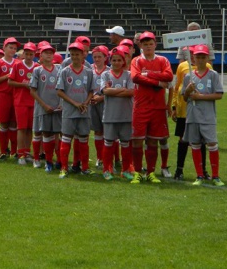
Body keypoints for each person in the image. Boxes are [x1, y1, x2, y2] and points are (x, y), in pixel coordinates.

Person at [129, 31, 173, 184]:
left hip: (158, 107)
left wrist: (147, 74)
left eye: (150, 44)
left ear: (155, 44)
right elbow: (135, 77)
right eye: (145, 44)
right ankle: (137, 172)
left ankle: (151, 172)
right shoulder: (136, 61)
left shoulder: (163, 60)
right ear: (140, 45)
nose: (148, 46)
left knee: (153, 141)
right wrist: (157, 82)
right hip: (141, 107)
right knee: (137, 141)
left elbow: (169, 76)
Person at [181, 45, 224, 186]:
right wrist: (188, 90)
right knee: (195, 144)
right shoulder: (189, 76)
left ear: (207, 58)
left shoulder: (213, 74)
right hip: (193, 115)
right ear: (193, 58)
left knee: (212, 143)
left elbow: (218, 95)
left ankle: (215, 176)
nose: (200, 59)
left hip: (207, 115)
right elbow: (185, 97)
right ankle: (199, 175)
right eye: (197, 56)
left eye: (203, 57)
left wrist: (200, 97)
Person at [171, 47, 212, 180]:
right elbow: (177, 87)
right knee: (182, 140)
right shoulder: (183, 66)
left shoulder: (208, 67)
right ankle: (179, 169)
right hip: (184, 109)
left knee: (201, 141)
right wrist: (174, 106)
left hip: (200, 110)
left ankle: (203, 170)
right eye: (195, 55)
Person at [56, 42, 94, 178]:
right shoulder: (65, 71)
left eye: (77, 54)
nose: (75, 57)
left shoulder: (88, 72)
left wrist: (85, 103)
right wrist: (75, 103)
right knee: (66, 138)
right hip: (69, 111)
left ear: (83, 55)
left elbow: (91, 90)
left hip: (84, 111)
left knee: (83, 138)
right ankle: (64, 168)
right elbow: (59, 91)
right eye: (72, 54)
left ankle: (84, 167)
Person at [100, 46, 135, 180]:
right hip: (110, 115)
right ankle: (106, 169)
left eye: (119, 60)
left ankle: (125, 170)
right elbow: (105, 91)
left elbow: (131, 92)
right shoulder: (105, 74)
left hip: (126, 115)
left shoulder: (129, 75)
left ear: (123, 61)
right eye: (113, 60)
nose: (116, 62)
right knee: (108, 143)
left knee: (125, 143)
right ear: (110, 61)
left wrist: (112, 91)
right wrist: (122, 91)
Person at [30, 43, 62, 172]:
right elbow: (32, 91)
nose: (49, 54)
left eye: (51, 52)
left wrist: (61, 103)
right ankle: (44, 160)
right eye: (46, 52)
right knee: (45, 133)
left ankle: (59, 160)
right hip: (43, 108)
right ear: (40, 55)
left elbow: (63, 89)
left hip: (57, 108)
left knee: (59, 134)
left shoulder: (59, 69)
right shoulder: (37, 70)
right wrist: (44, 105)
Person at [8, 42, 38, 165]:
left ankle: (26, 151)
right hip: (20, 101)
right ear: (24, 53)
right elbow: (10, 82)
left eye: (31, 54)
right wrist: (23, 84)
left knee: (30, 128)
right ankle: (20, 154)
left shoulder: (37, 67)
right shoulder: (17, 65)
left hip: (33, 100)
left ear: (34, 54)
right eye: (27, 53)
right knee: (21, 128)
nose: (29, 56)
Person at [0, 37, 21, 158]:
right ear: (4, 48)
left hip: (16, 96)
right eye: (10, 47)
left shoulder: (18, 63)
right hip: (3, 95)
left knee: (14, 124)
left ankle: (14, 151)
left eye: (14, 48)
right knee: (3, 124)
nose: (13, 50)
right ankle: (3, 151)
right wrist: (6, 76)